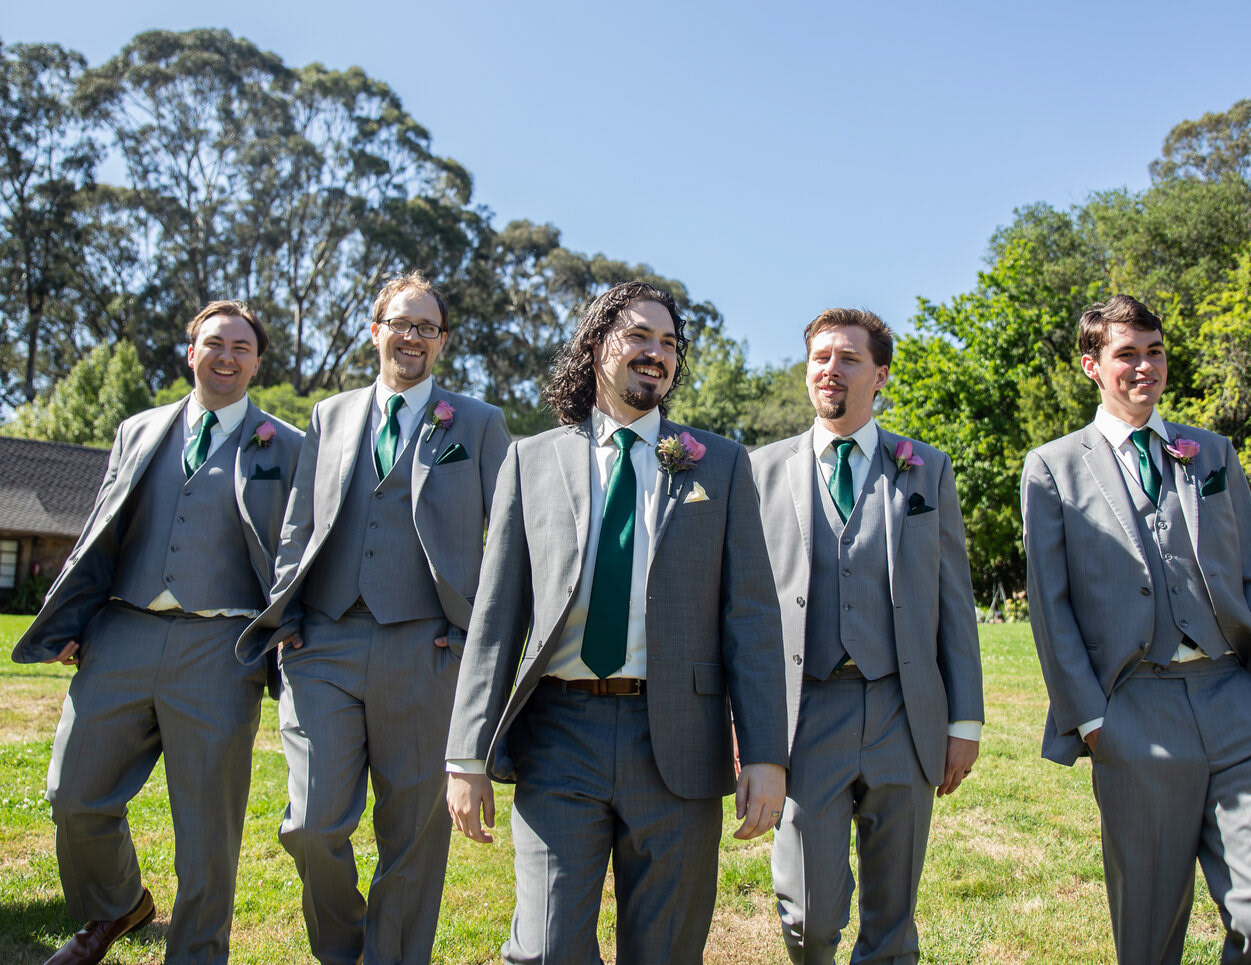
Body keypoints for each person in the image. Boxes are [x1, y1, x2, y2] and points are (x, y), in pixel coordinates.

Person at [446, 279, 787, 965]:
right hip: (558, 736)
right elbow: (496, 616)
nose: (656, 352)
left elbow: (751, 617)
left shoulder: (720, 464)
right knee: (546, 949)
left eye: (669, 342)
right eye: (639, 335)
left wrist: (766, 754)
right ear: (597, 345)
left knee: (665, 951)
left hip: (680, 739)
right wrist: (466, 754)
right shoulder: (531, 461)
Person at [1021, 294, 1251, 964]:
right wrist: (1092, 719)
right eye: (1126, 353)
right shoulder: (1054, 466)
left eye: (1154, 351)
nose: (1144, 366)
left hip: (1235, 697)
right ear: (1092, 365)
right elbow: (1050, 606)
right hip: (1134, 709)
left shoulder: (1212, 452)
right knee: (1150, 927)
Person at [13, 301, 302, 965]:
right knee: (73, 794)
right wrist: (76, 617)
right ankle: (117, 905)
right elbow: (101, 532)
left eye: (241, 347)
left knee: (207, 829)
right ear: (190, 351)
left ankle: (196, 953)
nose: (226, 356)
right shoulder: (138, 430)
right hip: (123, 630)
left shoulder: (287, 446)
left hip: (221, 647)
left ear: (257, 363)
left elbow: (299, 550)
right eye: (214, 343)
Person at [236, 271, 509, 965]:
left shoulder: (477, 424)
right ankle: (344, 949)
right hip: (321, 643)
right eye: (401, 323)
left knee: (412, 836)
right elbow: (298, 526)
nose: (412, 337)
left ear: (442, 342)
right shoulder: (330, 415)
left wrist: (470, 633)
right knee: (310, 826)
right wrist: (288, 619)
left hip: (427, 647)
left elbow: (511, 539)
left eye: (427, 328)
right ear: (375, 330)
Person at [748, 307, 983, 964]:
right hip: (805, 710)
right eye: (820, 357)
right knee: (809, 915)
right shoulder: (759, 470)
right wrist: (746, 724)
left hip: (902, 709)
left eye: (849, 358)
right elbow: (740, 609)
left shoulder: (926, 468)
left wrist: (964, 721)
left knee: (893, 915)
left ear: (879, 375)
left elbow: (954, 602)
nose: (831, 369)